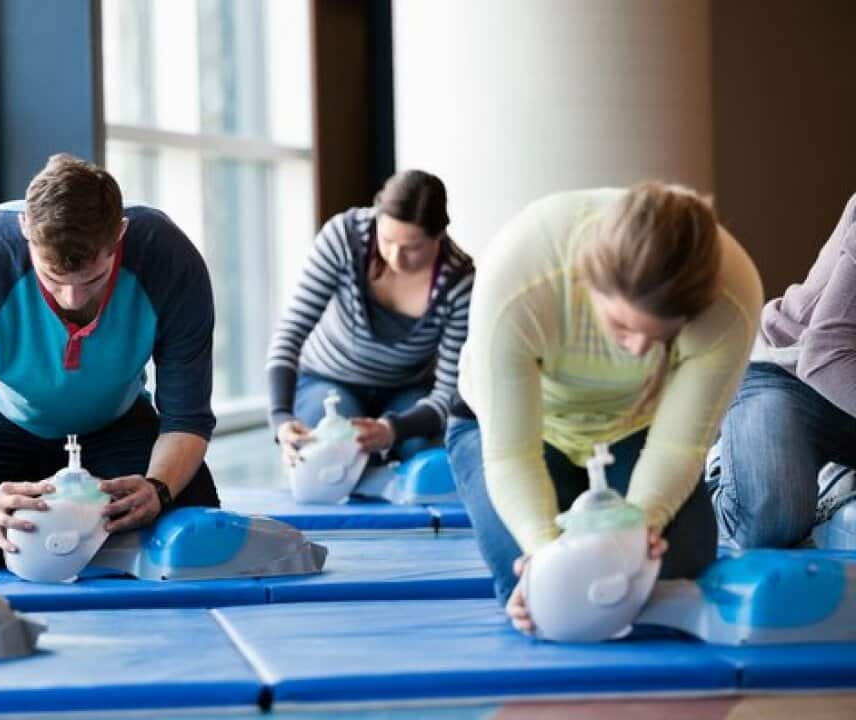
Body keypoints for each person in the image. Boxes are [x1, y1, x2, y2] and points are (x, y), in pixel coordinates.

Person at [445, 183, 763, 633]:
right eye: (620, 326)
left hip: (634, 428)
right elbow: (511, 456)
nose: (636, 350)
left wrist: (638, 531)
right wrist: (544, 554)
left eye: (658, 338)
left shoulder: (731, 297)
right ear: (586, 280)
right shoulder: (524, 272)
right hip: (515, 430)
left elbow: (678, 448)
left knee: (670, 580)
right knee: (547, 602)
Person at [0, 154, 220, 572]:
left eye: (92, 279)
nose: (71, 299)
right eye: (53, 279)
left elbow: (188, 419)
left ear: (120, 235)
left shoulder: (168, 258)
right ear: (25, 230)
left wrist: (158, 489)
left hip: (115, 422)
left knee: (192, 526)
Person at [267, 170, 474, 464]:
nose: (395, 257)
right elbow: (291, 332)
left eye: (412, 248)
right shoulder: (344, 237)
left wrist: (394, 429)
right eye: (387, 239)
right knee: (335, 451)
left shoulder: (459, 281)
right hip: (327, 379)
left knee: (428, 459)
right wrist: (281, 418)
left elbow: (449, 392)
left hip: (407, 390)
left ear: (438, 236)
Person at [707, 192, 856, 548]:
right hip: (791, 377)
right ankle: (727, 468)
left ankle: (832, 474)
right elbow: (825, 356)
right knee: (768, 524)